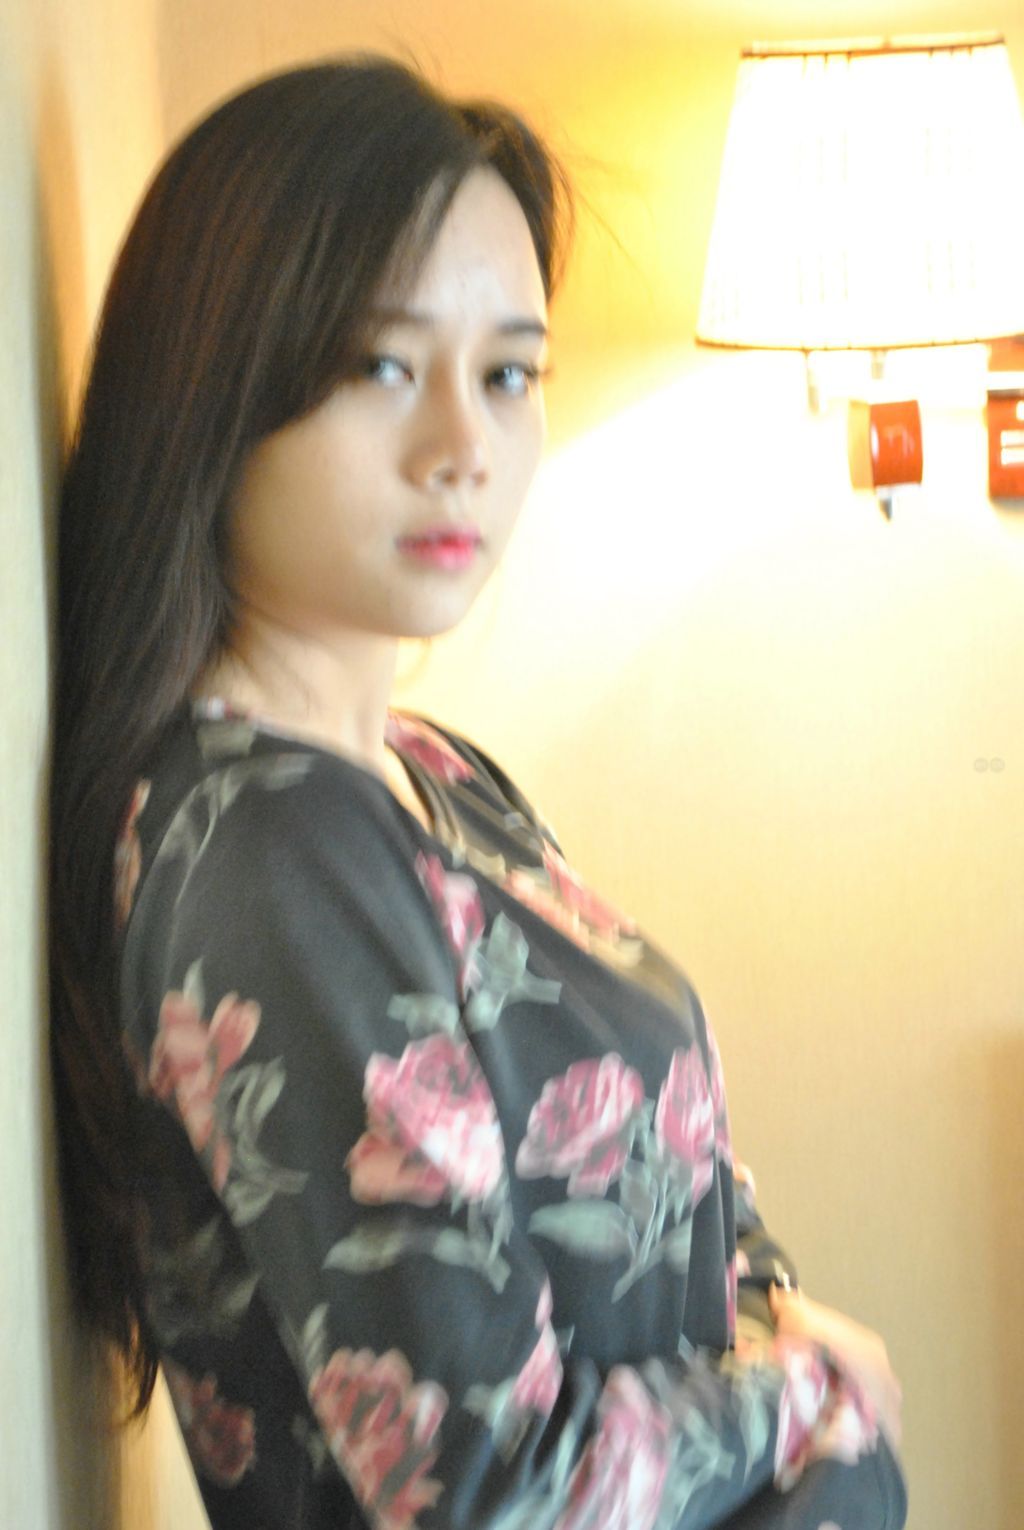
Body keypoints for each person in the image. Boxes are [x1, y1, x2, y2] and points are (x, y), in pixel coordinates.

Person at [50, 56, 906, 1530]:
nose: (466, 448)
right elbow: (488, 1493)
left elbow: (675, 1167)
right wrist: (808, 1394)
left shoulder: (430, 771)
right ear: (221, 385)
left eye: (508, 374)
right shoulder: (266, 850)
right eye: (384, 367)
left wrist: (773, 1315)